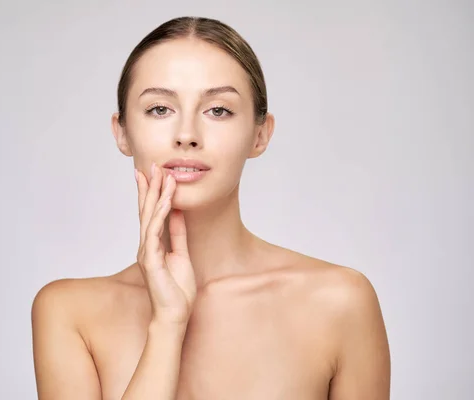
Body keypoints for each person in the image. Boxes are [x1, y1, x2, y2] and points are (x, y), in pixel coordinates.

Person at [31, 16, 391, 400]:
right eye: (159, 109)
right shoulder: (68, 313)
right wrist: (167, 325)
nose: (186, 136)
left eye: (218, 110)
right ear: (122, 132)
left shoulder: (340, 303)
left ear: (260, 134)